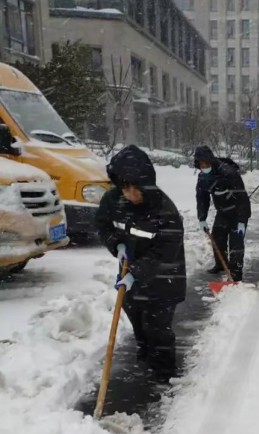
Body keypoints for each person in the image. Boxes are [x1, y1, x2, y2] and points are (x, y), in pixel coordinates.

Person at [95, 145, 186, 383]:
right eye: (125, 189)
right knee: (136, 315)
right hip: (130, 270)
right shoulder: (113, 200)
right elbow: (102, 225)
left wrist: (136, 273)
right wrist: (117, 245)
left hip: (165, 276)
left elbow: (166, 251)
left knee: (158, 326)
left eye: (134, 190)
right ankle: (146, 352)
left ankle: (164, 374)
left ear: (145, 185)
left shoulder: (165, 210)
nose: (129, 195)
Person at [195, 145, 251, 281]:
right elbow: (202, 198)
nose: (204, 166)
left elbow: (242, 198)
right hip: (223, 212)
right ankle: (221, 264)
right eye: (201, 164)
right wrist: (202, 218)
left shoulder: (229, 173)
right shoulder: (203, 177)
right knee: (217, 238)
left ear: (211, 161)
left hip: (238, 211)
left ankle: (236, 272)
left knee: (235, 242)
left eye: (205, 163)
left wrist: (242, 221)